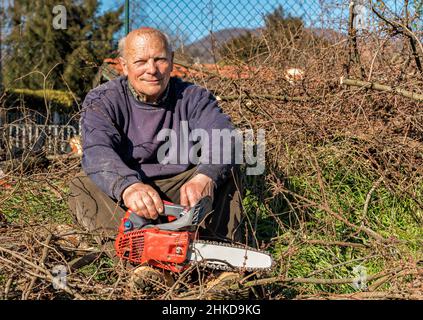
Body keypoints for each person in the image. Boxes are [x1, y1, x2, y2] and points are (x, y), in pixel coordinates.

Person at [67, 27, 245, 288]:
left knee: (227, 169)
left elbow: (225, 137)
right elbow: (97, 151)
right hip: (133, 194)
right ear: (124, 66)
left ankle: (218, 266)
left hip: (183, 191)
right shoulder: (103, 99)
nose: (152, 69)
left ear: (171, 60)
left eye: (159, 59)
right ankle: (142, 263)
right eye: (140, 61)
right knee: (81, 185)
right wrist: (127, 186)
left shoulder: (193, 97)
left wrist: (205, 175)